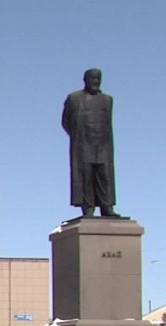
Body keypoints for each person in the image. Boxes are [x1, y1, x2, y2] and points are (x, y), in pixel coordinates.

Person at [62, 68, 119, 218]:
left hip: (103, 145)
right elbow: (66, 122)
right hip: (83, 145)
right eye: (92, 79)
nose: (95, 82)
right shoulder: (74, 98)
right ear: (85, 80)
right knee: (86, 176)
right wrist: (77, 138)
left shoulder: (108, 100)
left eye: (98, 79)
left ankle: (107, 207)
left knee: (105, 175)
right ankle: (88, 208)